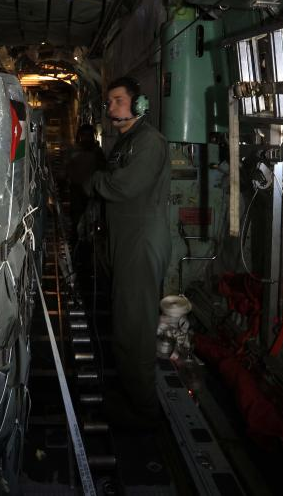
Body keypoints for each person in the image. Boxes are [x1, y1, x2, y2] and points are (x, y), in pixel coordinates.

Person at [86, 76, 170, 426]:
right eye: (108, 102)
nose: (111, 108)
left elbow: (123, 186)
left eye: (118, 100)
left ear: (138, 104)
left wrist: (92, 180)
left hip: (141, 242)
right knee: (125, 321)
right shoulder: (126, 142)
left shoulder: (149, 141)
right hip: (125, 241)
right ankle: (132, 393)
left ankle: (145, 410)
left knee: (135, 327)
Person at [64, 124, 105, 242]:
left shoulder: (97, 152)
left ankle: (90, 244)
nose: (86, 138)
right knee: (77, 220)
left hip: (93, 193)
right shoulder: (74, 151)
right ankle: (78, 242)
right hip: (77, 191)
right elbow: (66, 170)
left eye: (89, 135)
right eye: (84, 135)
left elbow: (103, 170)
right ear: (80, 136)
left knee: (93, 220)